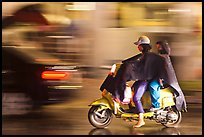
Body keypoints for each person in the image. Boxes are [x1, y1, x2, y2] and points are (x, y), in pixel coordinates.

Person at [155, 40, 187, 112]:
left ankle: (156, 105)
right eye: (157, 47)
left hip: (166, 79)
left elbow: (162, 70)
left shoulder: (163, 57)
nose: (158, 49)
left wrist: (160, 78)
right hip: (167, 79)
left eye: (159, 47)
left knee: (153, 86)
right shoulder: (164, 57)